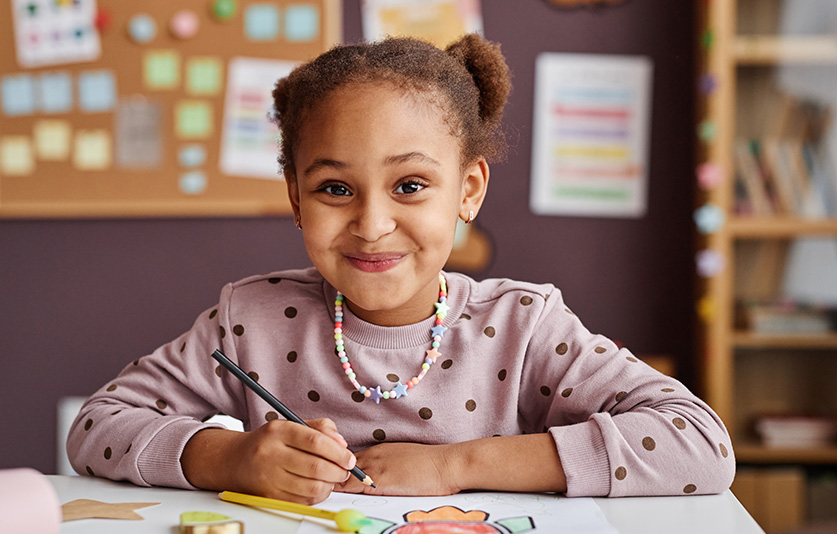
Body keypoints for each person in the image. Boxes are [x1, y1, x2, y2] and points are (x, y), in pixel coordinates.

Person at [67, 34, 734, 506]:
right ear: (296, 197)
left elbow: (700, 443)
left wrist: (455, 465)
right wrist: (230, 456)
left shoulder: (524, 326)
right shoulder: (251, 321)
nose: (372, 223)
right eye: (334, 189)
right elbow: (95, 426)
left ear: (468, 190)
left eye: (410, 185)